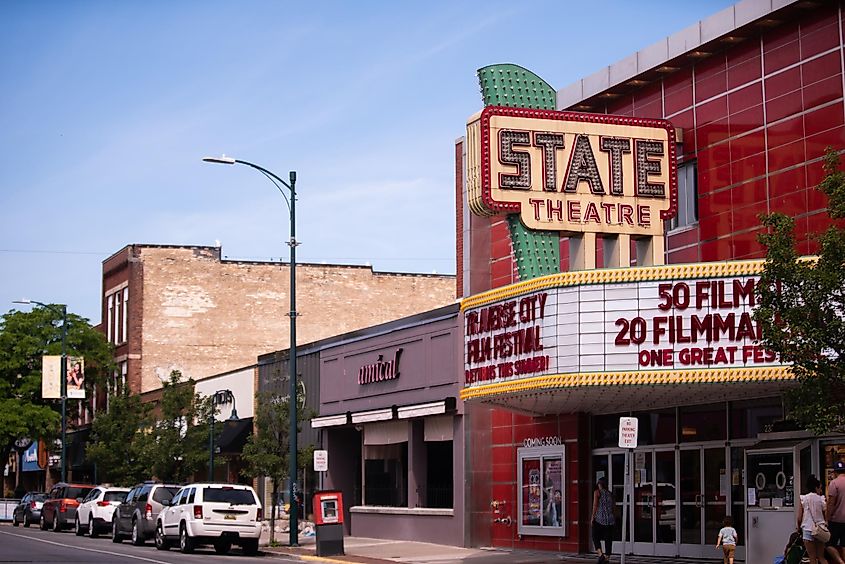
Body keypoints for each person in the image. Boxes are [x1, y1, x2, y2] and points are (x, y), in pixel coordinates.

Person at [797, 474, 829, 564]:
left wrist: (798, 527)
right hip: (820, 529)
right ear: (816, 488)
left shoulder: (803, 498)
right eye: (820, 488)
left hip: (807, 528)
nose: (821, 490)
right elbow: (825, 514)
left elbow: (799, 517)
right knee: (821, 557)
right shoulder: (821, 499)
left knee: (812, 557)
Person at [592, 477, 615, 564]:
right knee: (608, 539)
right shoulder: (610, 493)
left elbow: (595, 506)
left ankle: (600, 554)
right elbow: (613, 507)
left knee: (595, 535)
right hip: (610, 520)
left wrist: (592, 518)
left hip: (600, 519)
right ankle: (607, 558)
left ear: (600, 484)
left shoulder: (597, 492)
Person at [827, 461, 845, 561]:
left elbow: (831, 503)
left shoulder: (834, 483)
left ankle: (840, 562)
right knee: (844, 544)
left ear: (834, 472)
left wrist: (827, 518)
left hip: (836, 520)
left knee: (829, 544)